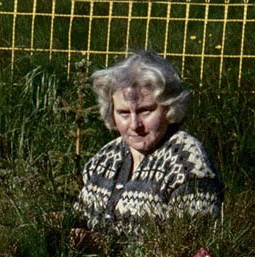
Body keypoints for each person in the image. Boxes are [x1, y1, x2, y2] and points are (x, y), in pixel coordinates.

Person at [73, 51, 222, 242]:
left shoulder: (188, 163)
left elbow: (188, 248)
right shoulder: (105, 157)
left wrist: (104, 248)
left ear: (169, 107)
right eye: (123, 113)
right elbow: (80, 219)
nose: (134, 125)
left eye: (145, 111)